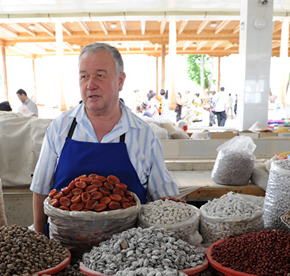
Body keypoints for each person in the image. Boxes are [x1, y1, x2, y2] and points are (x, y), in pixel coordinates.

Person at [30, 42, 179, 233]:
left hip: (128, 251)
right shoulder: (61, 127)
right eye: (84, 76)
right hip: (65, 247)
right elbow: (41, 189)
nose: (90, 85)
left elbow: (163, 197)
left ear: (120, 81)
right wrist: (41, 238)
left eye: (100, 75)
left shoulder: (143, 134)